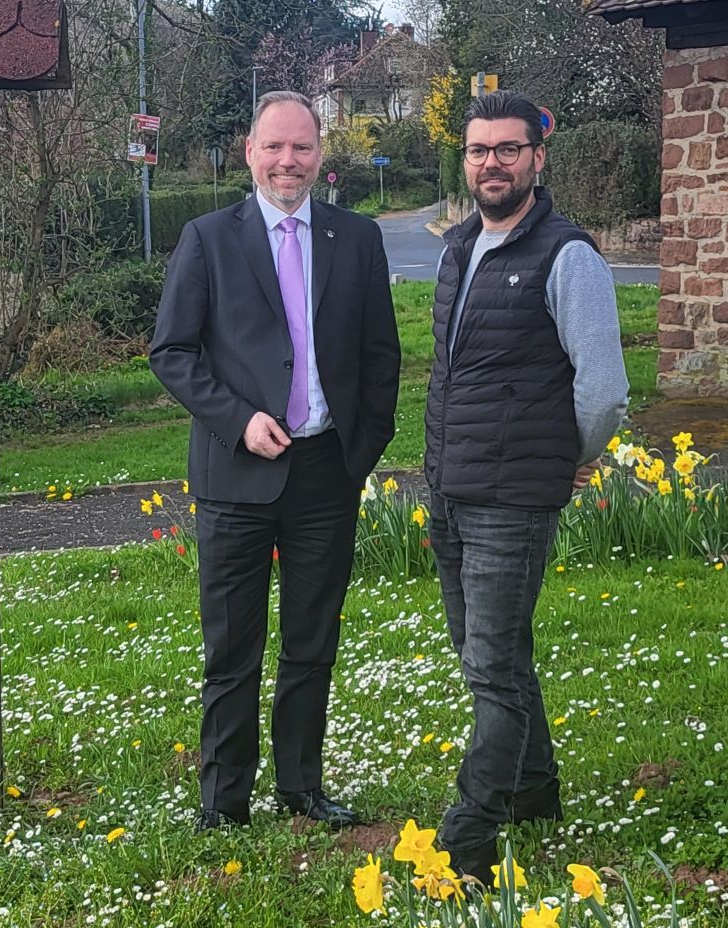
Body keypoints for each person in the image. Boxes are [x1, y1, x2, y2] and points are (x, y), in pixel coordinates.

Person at [150, 91, 401, 831]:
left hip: (327, 472)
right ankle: (223, 802)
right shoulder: (207, 238)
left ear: (320, 155)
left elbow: (381, 356)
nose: (287, 161)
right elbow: (172, 352)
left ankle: (302, 788)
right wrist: (238, 420)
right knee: (232, 647)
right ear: (250, 152)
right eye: (274, 147)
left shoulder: (357, 239)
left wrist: (360, 452)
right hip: (237, 474)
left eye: (302, 147)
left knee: (311, 643)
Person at [423, 89, 629, 883]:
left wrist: (568, 456)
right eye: (479, 150)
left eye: (508, 149)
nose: (492, 164)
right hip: (451, 488)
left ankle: (469, 838)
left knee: (492, 668)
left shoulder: (567, 256)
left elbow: (603, 389)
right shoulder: (459, 248)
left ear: (537, 158)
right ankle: (536, 792)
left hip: (514, 498)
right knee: (492, 654)